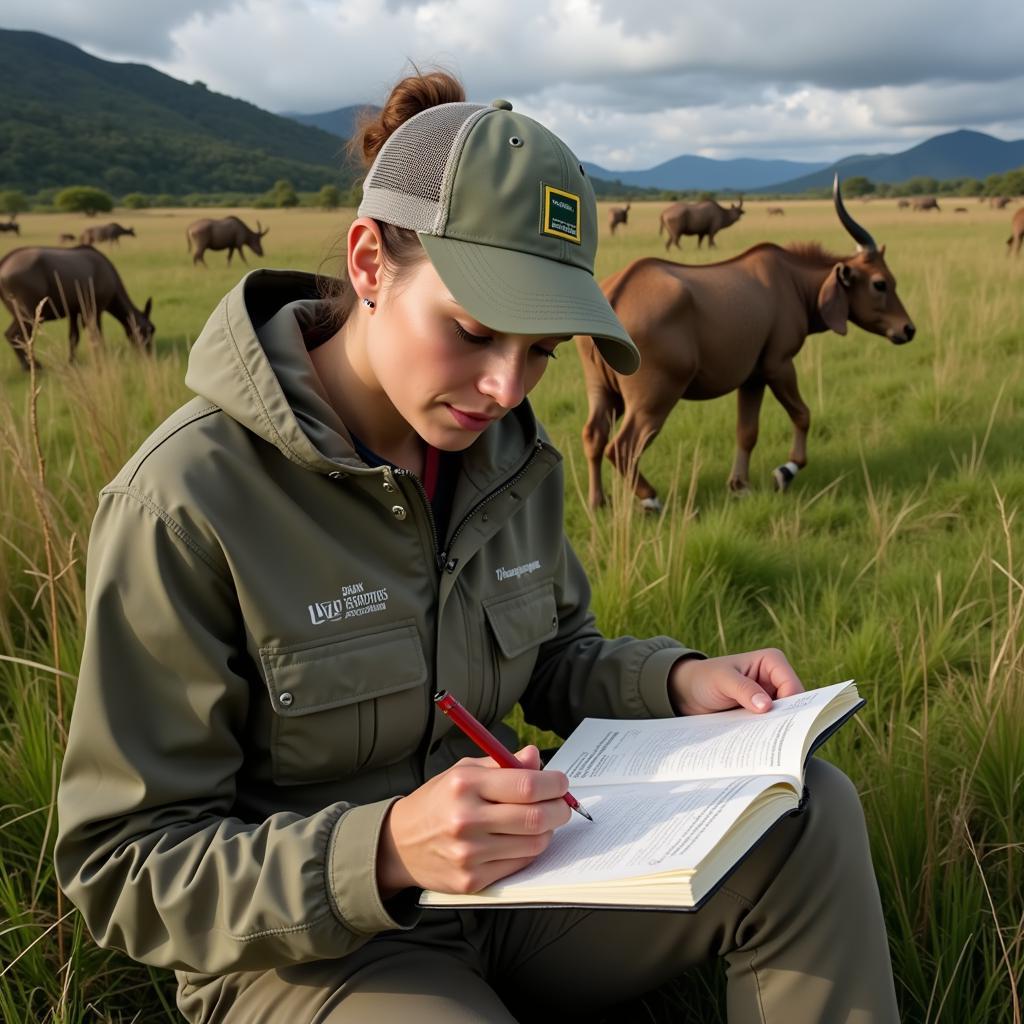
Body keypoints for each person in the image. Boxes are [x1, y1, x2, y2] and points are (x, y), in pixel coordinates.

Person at [55, 71, 899, 1023]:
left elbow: (553, 655)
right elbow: (121, 866)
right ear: (370, 265)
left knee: (808, 812)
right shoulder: (186, 500)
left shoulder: (509, 455)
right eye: (472, 331)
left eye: (540, 348)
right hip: (311, 954)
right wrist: (382, 849)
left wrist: (676, 681)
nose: (506, 387)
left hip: (519, 887)